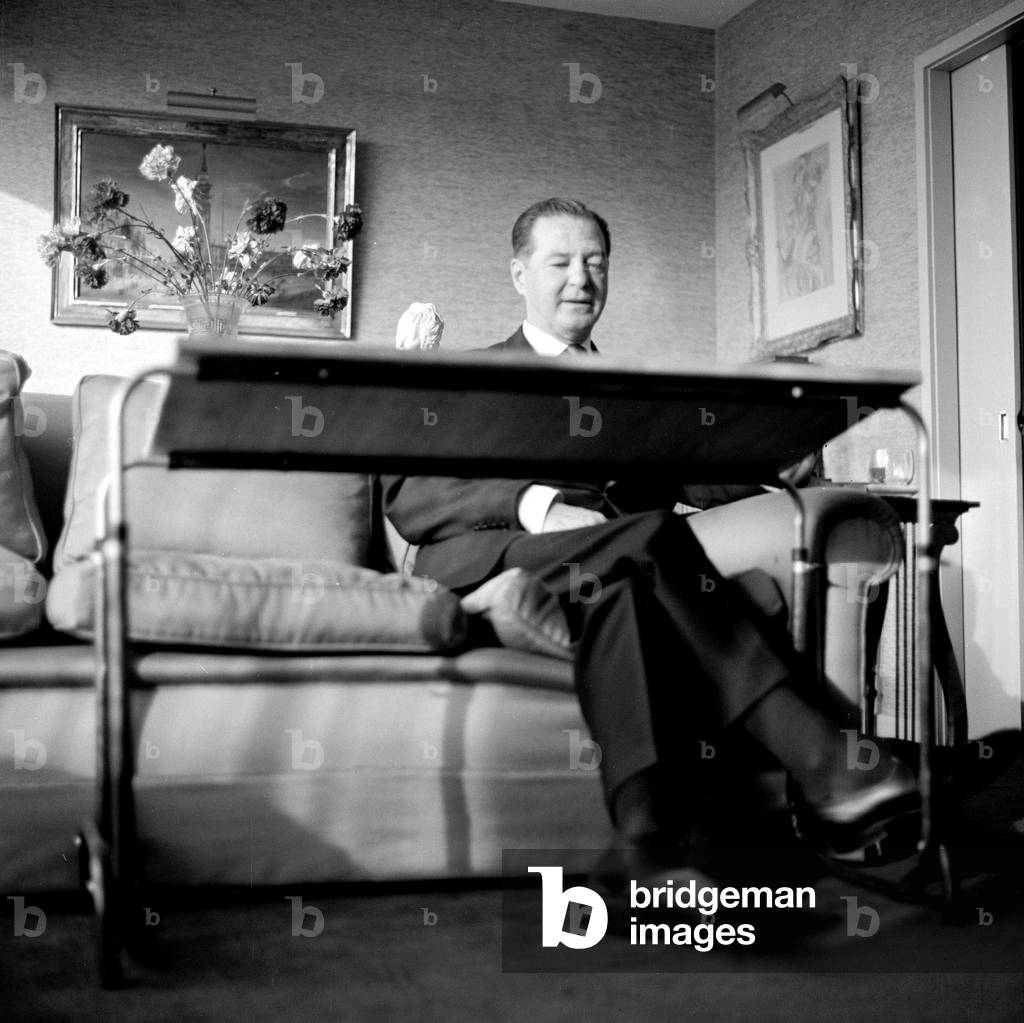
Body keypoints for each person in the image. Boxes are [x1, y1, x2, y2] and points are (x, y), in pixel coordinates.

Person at [383, 198, 919, 881]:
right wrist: (535, 505)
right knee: (650, 537)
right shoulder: (471, 377)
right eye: (560, 263)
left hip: (613, 567)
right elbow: (409, 493)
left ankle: (648, 849)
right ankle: (830, 761)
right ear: (520, 274)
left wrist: (773, 461)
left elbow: (689, 472)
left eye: (595, 262)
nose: (581, 279)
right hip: (490, 562)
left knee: (626, 593)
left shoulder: (629, 393)